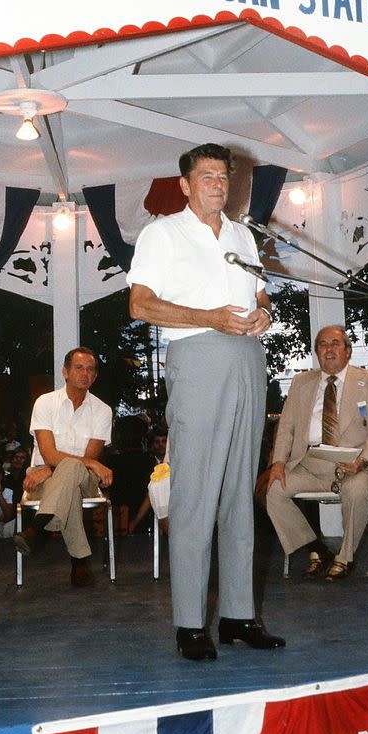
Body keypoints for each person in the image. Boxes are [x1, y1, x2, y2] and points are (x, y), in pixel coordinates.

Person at [127, 142, 284, 660]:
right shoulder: (162, 232)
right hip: (196, 356)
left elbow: (259, 293)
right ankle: (190, 624)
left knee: (241, 490)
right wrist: (208, 318)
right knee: (195, 493)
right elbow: (141, 304)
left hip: (247, 358)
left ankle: (238, 615)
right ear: (186, 185)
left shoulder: (242, 234)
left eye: (224, 176)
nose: (218, 183)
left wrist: (262, 313)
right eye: (208, 176)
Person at [265, 325, 368, 580]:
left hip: (355, 466)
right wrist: (278, 462)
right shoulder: (301, 382)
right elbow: (286, 427)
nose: (329, 349)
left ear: (348, 351)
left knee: (356, 490)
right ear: (316, 352)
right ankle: (316, 547)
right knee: (273, 491)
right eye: (323, 344)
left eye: (335, 343)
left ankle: (345, 557)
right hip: (310, 465)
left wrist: (362, 461)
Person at [13, 347, 113, 587]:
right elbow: (49, 453)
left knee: (71, 470)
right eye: (79, 368)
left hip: (83, 479)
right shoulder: (45, 403)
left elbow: (86, 460)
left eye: (90, 370)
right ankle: (79, 564)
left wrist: (54, 467)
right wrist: (84, 463)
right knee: (67, 482)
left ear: (95, 376)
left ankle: (39, 528)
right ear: (65, 372)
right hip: (40, 478)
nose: (85, 373)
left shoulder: (103, 410)